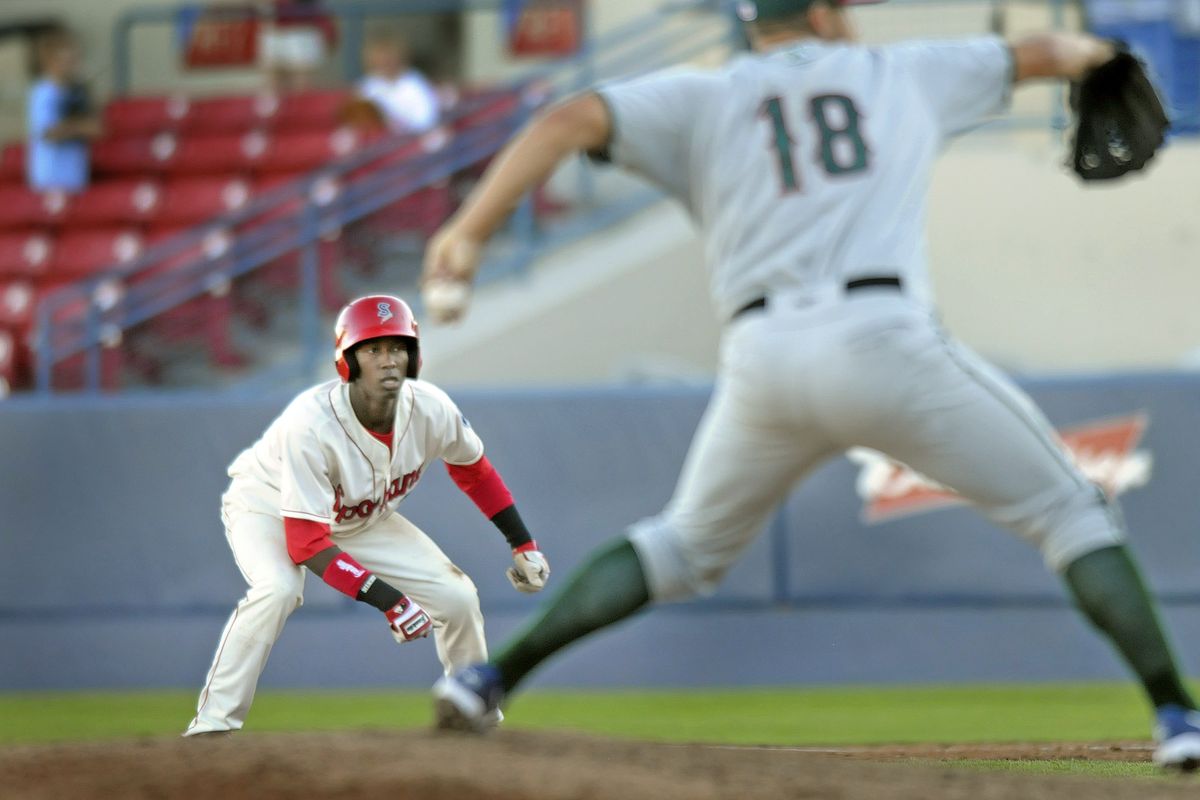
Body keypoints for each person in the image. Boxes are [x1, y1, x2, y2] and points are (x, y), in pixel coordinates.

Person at [421, 0, 1200, 771]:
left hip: (764, 358)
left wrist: (466, 234)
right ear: (825, 14)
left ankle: (488, 679)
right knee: (1068, 510)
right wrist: (1103, 57)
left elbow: (565, 121)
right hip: (883, 339)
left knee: (683, 546)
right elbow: (1048, 51)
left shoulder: (706, 94)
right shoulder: (898, 70)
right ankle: (1177, 715)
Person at [184, 295, 550, 736]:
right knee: (278, 589)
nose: (388, 359)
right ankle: (212, 727)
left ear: (412, 356)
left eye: (397, 347)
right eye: (372, 349)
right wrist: (388, 599)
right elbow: (305, 544)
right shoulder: (313, 424)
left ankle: (475, 717)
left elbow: (474, 471)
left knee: (458, 599)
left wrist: (522, 543)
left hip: (361, 519)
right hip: (268, 505)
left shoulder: (431, 408)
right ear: (348, 361)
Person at [26, 30, 102, 193]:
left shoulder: (78, 91)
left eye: (74, 59)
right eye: (66, 60)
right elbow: (50, 133)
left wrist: (89, 94)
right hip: (50, 179)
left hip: (75, 178)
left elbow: (98, 128)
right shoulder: (44, 92)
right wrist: (80, 127)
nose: (72, 65)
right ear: (50, 61)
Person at [356, 32, 441, 135]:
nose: (384, 61)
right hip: (377, 144)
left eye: (389, 56)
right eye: (379, 57)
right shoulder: (368, 85)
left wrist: (398, 125)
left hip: (409, 142)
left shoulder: (414, 83)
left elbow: (427, 120)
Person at [260, 0, 336, 93]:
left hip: (301, 29)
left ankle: (303, 105)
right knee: (273, 84)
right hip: (274, 28)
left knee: (300, 84)